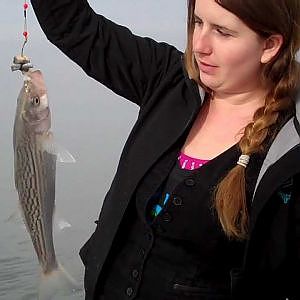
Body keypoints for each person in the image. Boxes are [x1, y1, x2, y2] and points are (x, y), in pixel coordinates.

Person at [30, 0, 300, 299]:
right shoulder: (168, 79)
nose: (199, 45)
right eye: (198, 22)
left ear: (270, 45)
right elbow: (74, 26)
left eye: (222, 32)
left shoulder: (288, 150)